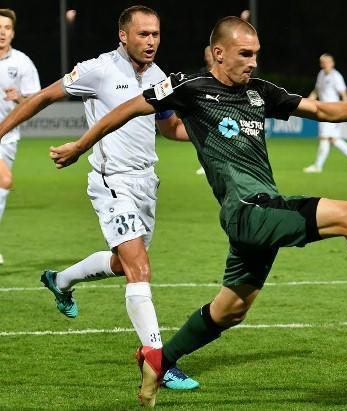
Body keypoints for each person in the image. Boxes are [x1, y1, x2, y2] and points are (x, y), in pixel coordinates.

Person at [50, 16, 347, 407]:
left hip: (258, 213)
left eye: (256, 54)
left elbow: (321, 110)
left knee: (231, 311)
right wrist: (80, 146)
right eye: (245, 54)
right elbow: (126, 110)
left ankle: (160, 359)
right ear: (218, 53)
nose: (253, 62)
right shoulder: (188, 87)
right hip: (247, 211)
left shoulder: (259, 92)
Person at [0, 5, 199, 391]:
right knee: (139, 268)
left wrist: (211, 133)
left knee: (125, 264)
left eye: (156, 34)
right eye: (143, 34)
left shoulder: (158, 76)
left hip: (147, 183)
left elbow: (170, 128)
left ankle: (60, 280)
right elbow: (44, 97)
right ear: (124, 35)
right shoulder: (98, 69)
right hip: (111, 182)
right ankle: (157, 359)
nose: (151, 41)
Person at [0, 8, 41, 265]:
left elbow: (35, 103)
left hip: (8, 138)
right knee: (4, 180)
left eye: (7, 28)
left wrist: (20, 98)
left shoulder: (22, 63)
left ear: (13, 33)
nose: (2, 32)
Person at [303, 53, 347, 173]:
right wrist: (307, 102)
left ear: (332, 63)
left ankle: (318, 166)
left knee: (325, 138)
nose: (325, 64)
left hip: (332, 110)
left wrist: (346, 111)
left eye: (327, 62)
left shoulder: (336, 76)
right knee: (333, 139)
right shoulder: (321, 74)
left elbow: (344, 94)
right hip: (323, 109)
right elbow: (316, 91)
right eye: (323, 62)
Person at [194, 45, 214, 176]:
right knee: (203, 139)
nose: (208, 57)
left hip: (219, 109)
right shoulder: (202, 73)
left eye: (210, 54)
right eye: (207, 55)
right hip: (204, 110)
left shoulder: (224, 72)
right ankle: (205, 165)